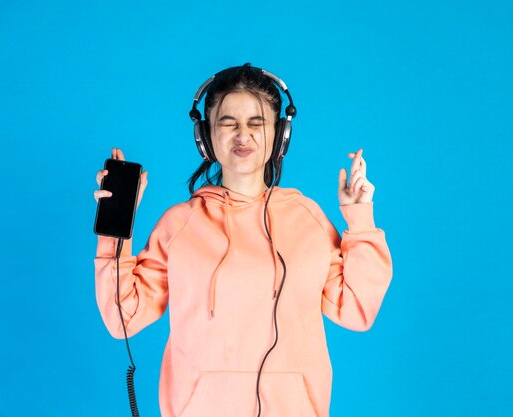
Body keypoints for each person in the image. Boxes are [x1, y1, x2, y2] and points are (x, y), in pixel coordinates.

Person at [93, 64, 393, 417]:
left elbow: (357, 310)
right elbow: (122, 319)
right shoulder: (180, 224)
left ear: (280, 135)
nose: (242, 135)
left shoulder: (307, 218)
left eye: (256, 123)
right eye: (228, 122)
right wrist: (115, 231)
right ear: (205, 137)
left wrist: (360, 220)